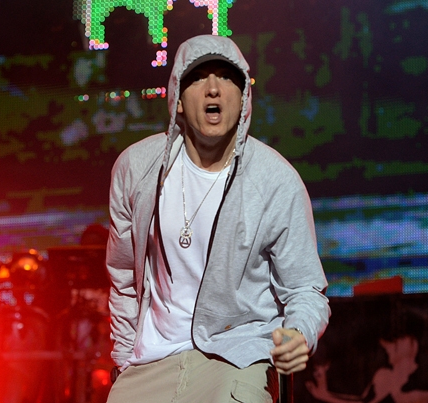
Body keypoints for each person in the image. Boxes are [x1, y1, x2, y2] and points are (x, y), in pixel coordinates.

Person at [105, 34, 330, 403]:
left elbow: (305, 288)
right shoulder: (137, 169)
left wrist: (299, 333)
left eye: (226, 77)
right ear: (177, 99)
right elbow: (124, 277)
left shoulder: (274, 179)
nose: (213, 89)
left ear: (243, 97)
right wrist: (124, 358)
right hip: (151, 360)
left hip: (237, 353)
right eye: (197, 78)